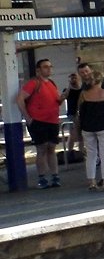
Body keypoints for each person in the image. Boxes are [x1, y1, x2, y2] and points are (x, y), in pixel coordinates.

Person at [18, 59, 62, 189]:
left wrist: (63, 97)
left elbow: (56, 101)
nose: (48, 69)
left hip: (53, 120)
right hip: (38, 121)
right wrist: (28, 117)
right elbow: (20, 99)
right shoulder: (33, 83)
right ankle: (42, 177)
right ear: (38, 70)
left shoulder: (52, 84)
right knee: (41, 149)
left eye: (50, 66)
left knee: (52, 148)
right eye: (45, 67)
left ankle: (55, 176)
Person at [75, 69, 104, 191]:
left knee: (91, 154)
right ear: (101, 81)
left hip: (87, 128)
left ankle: (92, 182)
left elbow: (79, 111)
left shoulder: (84, 94)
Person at [62, 71, 82, 165]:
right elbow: (63, 97)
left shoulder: (82, 89)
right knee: (72, 134)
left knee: (82, 134)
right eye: (71, 78)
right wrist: (70, 86)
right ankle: (69, 153)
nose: (74, 80)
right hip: (72, 114)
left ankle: (82, 152)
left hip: (82, 114)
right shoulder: (67, 90)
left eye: (75, 78)